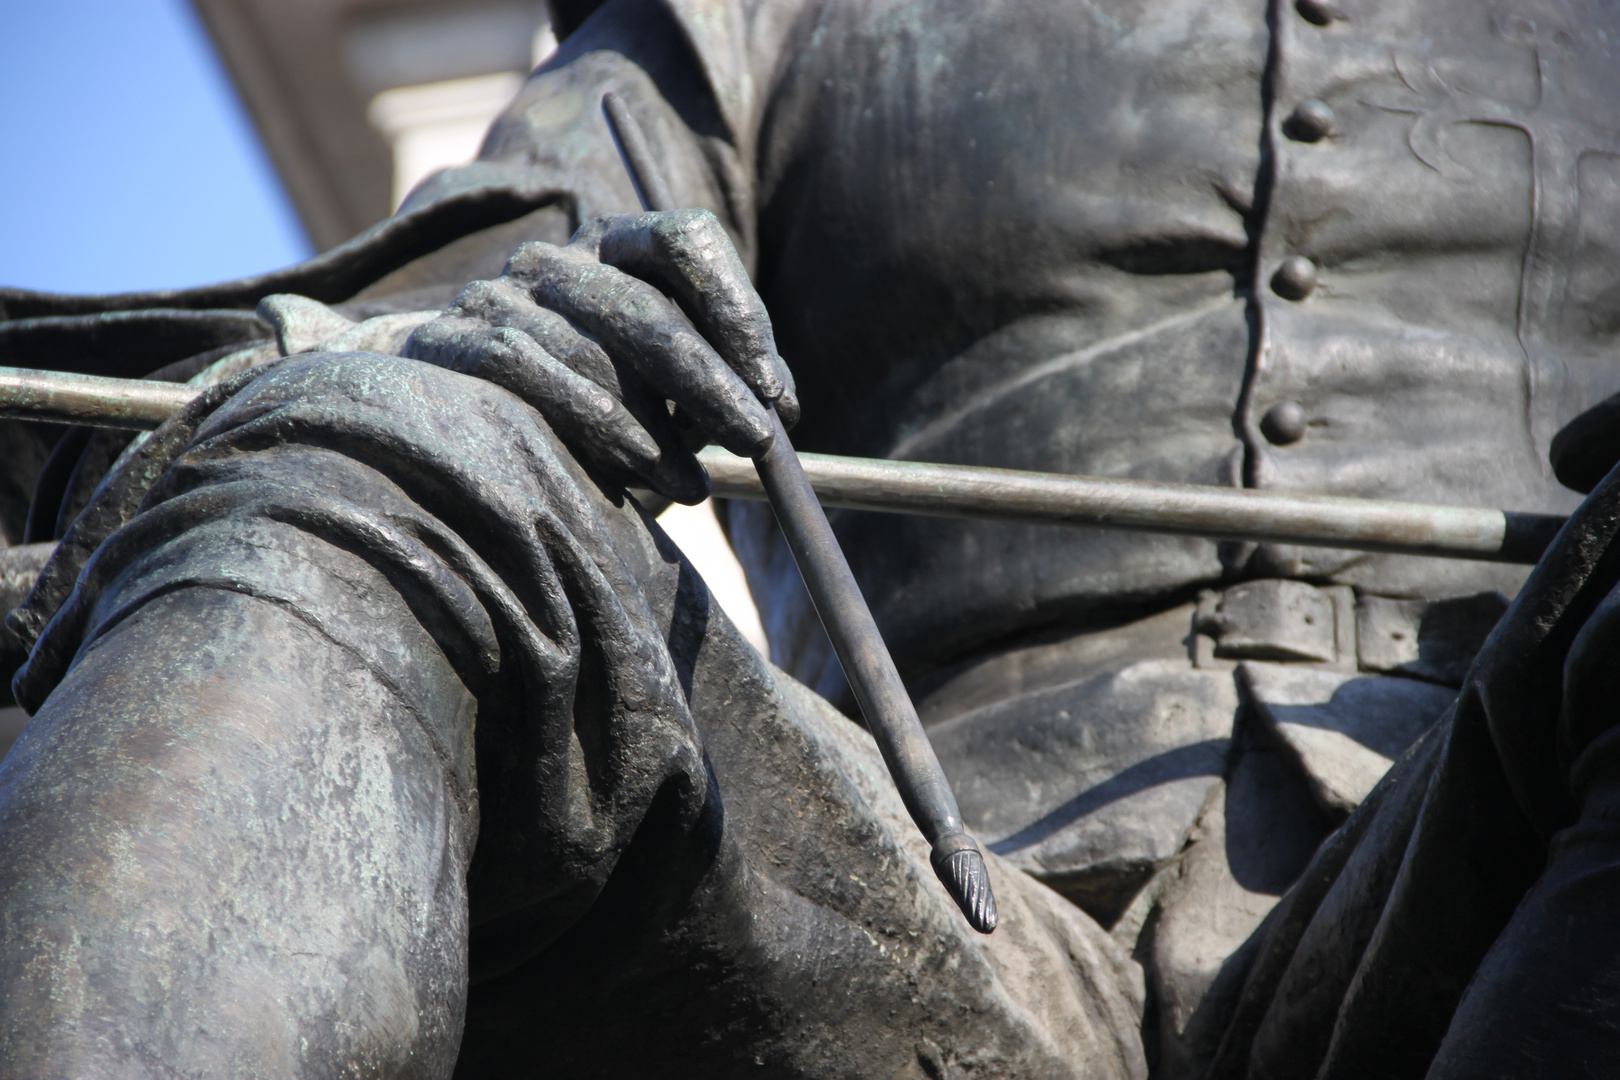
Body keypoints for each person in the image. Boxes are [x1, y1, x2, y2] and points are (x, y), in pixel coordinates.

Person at [3, 0, 1620, 1075]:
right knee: (385, 447)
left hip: (1502, 843)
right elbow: (395, 322)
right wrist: (400, 360)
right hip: (895, 888)